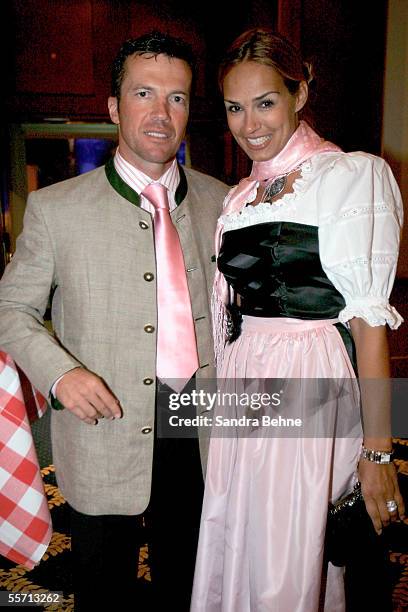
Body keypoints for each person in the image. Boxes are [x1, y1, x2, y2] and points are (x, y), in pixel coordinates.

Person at [0, 31, 228, 610]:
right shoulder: (56, 209)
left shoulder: (226, 202)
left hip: (202, 424)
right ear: (113, 107)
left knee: (193, 579)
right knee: (104, 590)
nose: (160, 113)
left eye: (176, 98)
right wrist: (60, 373)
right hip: (103, 428)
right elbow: (10, 308)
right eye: (144, 94)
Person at [190, 28, 405, 611]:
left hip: (311, 381)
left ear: (299, 94)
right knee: (243, 537)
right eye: (236, 107)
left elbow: (368, 320)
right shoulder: (238, 199)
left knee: (294, 552)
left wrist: (379, 452)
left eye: (266, 102)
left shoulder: (347, 177)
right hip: (245, 380)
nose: (249, 123)